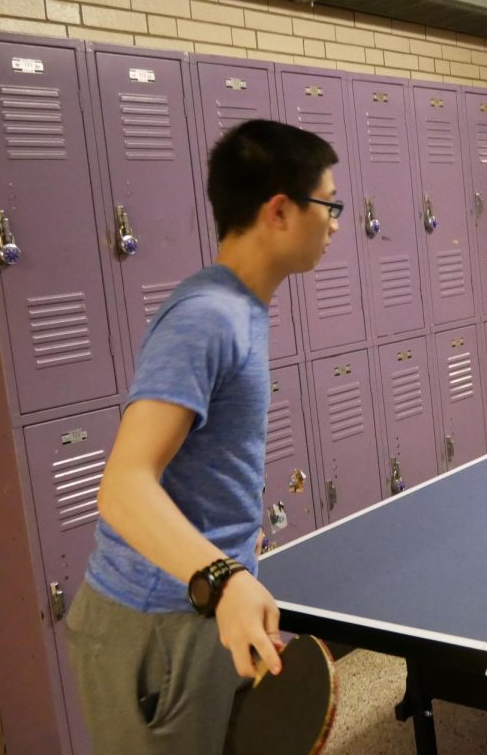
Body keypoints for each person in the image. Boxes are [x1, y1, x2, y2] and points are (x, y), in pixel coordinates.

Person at [65, 120, 341, 753]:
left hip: (199, 606)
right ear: (279, 211)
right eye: (329, 206)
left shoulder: (241, 308)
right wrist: (223, 577)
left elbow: (202, 467)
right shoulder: (206, 318)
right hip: (155, 625)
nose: (336, 223)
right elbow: (123, 486)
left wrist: (238, 551)